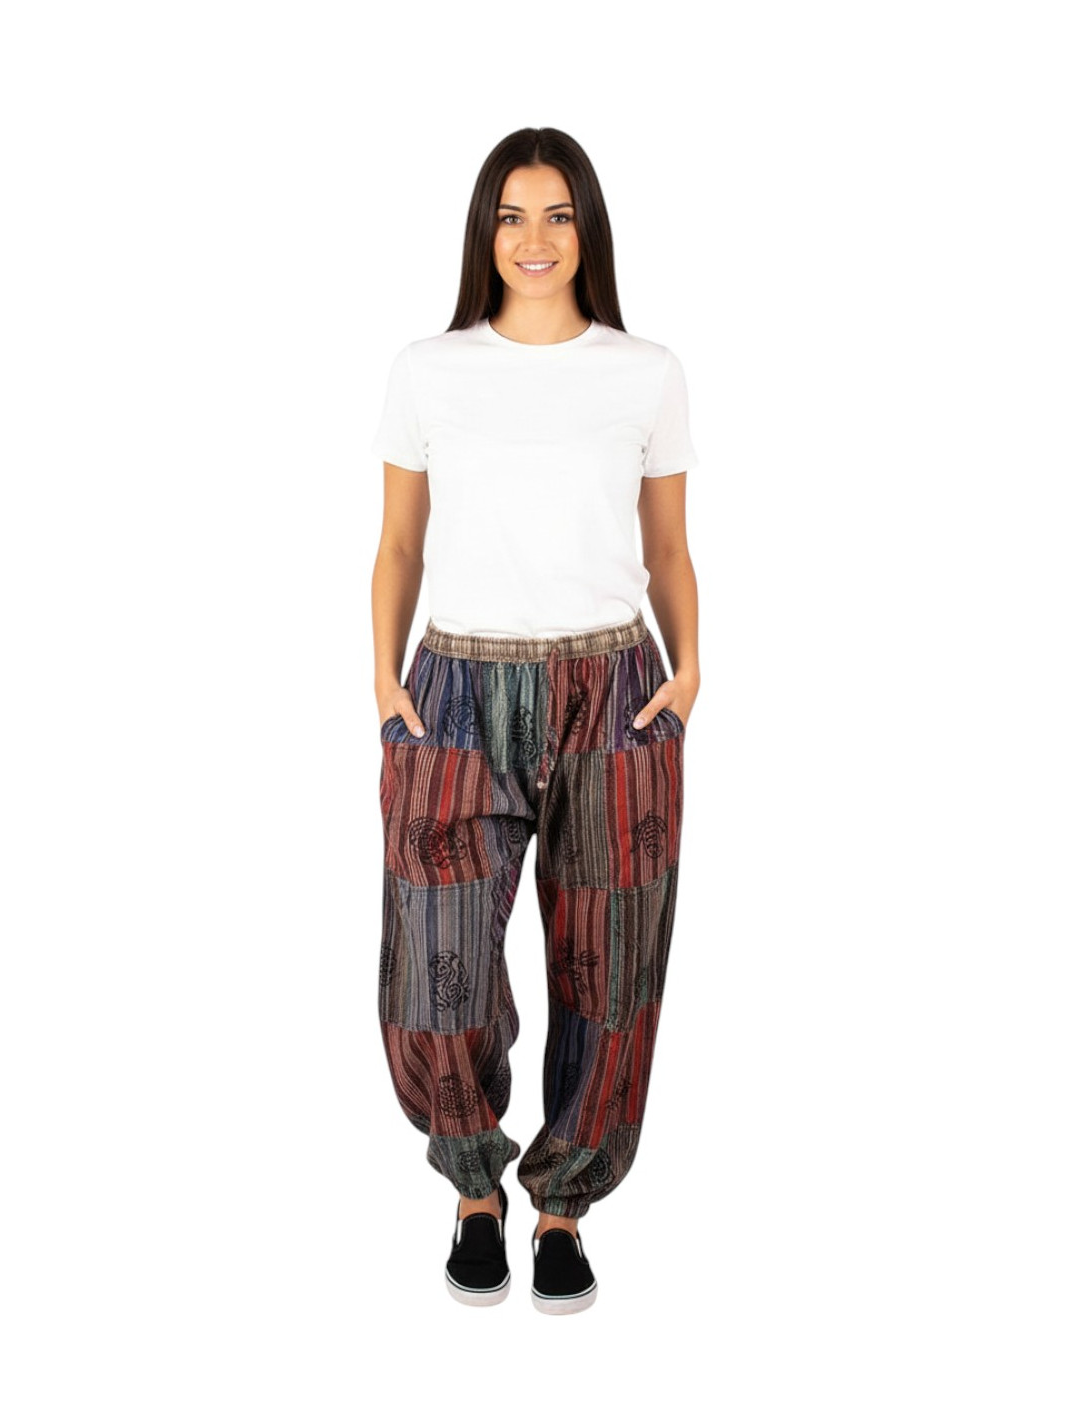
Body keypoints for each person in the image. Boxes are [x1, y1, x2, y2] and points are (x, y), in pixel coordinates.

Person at [370, 127, 700, 1314]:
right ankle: (474, 1186)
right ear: (484, 233)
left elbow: (666, 548)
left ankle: (562, 1207)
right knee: (436, 971)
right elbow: (398, 544)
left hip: (614, 687)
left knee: (610, 967)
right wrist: (385, 681)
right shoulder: (428, 369)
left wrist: (690, 670)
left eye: (557, 214)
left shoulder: (644, 371)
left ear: (587, 229)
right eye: (511, 216)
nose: (534, 239)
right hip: (454, 689)